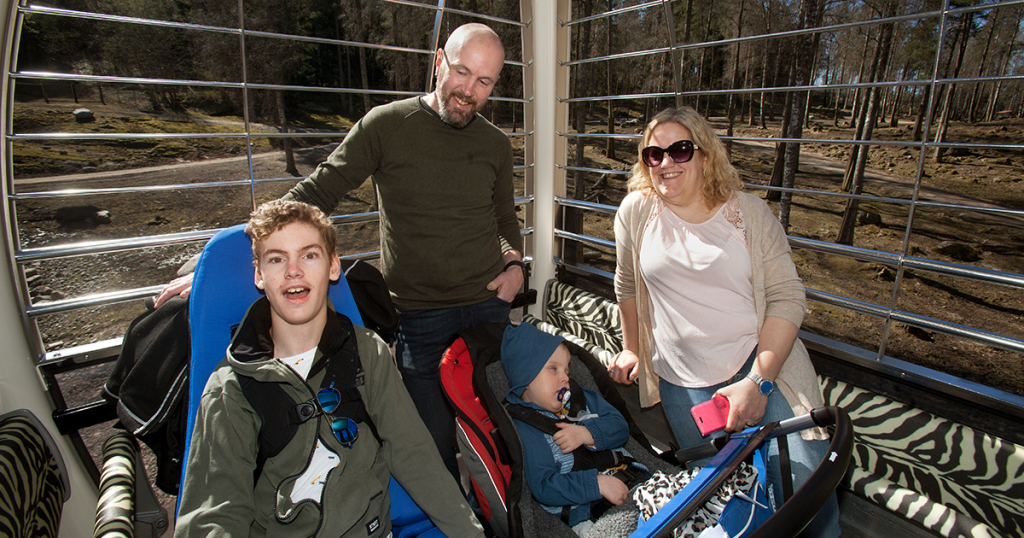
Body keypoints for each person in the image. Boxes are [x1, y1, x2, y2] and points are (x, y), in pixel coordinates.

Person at [155, 22, 523, 481]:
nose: (468, 91)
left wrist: (515, 266)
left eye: (484, 81)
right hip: (421, 317)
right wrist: (224, 267)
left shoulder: (494, 144)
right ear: (438, 62)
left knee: (507, 433)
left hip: (489, 305)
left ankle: (510, 511)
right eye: (462, 72)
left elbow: (504, 220)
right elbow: (315, 194)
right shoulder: (387, 125)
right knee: (432, 450)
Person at [174, 200, 484, 538]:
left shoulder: (368, 352)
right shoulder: (231, 388)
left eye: (309, 255)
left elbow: (413, 453)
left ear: (333, 267)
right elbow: (215, 515)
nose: (293, 270)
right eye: (277, 259)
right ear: (259, 276)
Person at [608, 106, 840, 537]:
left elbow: (787, 297)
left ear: (705, 154)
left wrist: (759, 382)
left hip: (763, 368)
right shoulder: (636, 212)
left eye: (679, 150)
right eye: (653, 154)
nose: (665, 163)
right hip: (685, 387)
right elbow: (627, 285)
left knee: (809, 504)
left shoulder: (748, 214)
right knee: (724, 506)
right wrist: (632, 348)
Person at [501, 322, 648, 535]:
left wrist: (588, 433)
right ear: (526, 377)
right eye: (553, 369)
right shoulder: (527, 428)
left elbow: (620, 427)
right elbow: (544, 487)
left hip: (635, 480)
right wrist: (596, 485)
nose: (565, 377)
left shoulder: (582, 398)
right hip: (589, 510)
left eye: (567, 370)